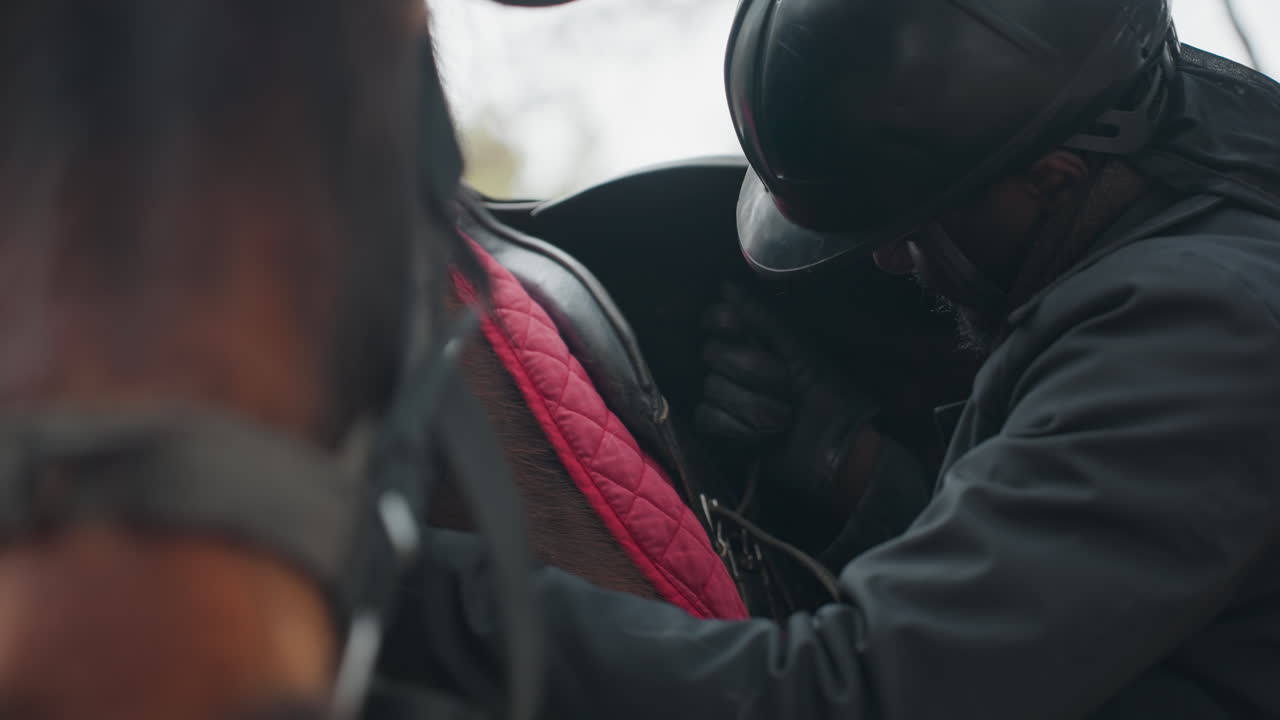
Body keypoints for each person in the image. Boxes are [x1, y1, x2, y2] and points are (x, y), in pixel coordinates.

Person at [418, 0, 1280, 717]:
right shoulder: (1194, 278)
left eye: (912, 226)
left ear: (1051, 176)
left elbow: (861, 699)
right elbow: (1081, 623)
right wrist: (848, 464)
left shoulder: (1201, 329)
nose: (892, 260)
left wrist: (427, 590)